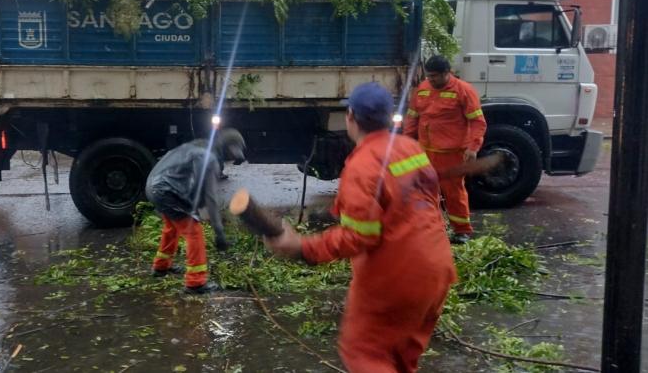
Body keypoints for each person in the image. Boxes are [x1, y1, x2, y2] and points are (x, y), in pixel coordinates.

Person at [265, 82, 456, 372]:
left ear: (350, 116)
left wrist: (302, 247)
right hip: (437, 271)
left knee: (364, 353)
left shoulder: (363, 165)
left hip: (395, 277)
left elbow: (359, 236)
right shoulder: (411, 148)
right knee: (401, 359)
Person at [146, 127, 247, 294]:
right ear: (225, 147)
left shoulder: (196, 147)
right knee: (194, 231)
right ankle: (196, 282)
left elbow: (192, 185)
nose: (232, 158)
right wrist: (219, 232)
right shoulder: (209, 159)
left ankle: (161, 266)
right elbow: (210, 198)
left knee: (172, 227)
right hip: (166, 191)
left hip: (153, 187)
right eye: (232, 153)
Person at [404, 55, 487, 244]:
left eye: (434, 76)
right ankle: (433, 228)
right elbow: (412, 118)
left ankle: (461, 231)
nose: (430, 79)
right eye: (428, 75)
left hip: (452, 154)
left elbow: (477, 122)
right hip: (426, 152)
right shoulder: (423, 89)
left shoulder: (463, 91)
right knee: (426, 192)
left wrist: (473, 148)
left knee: (454, 193)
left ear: (446, 73)